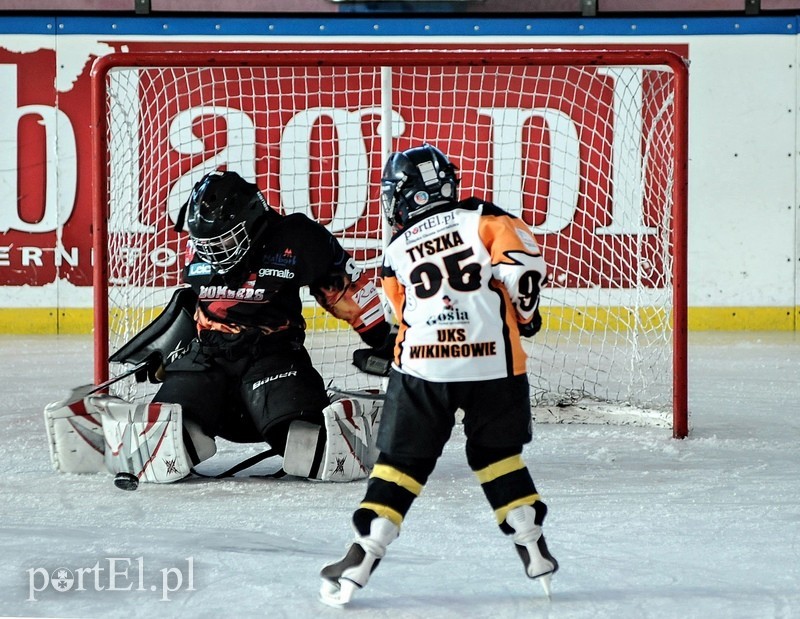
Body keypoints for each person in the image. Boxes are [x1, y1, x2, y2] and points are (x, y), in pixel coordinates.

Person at [319, 144, 558, 605]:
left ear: (400, 199)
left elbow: (403, 315)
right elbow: (523, 267)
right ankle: (533, 545)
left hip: (425, 368)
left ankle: (363, 556)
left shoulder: (394, 251)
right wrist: (526, 317)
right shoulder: (485, 218)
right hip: (497, 366)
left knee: (401, 464)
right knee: (498, 457)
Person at [146, 169, 394, 481]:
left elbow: (345, 290)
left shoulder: (298, 239)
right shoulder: (204, 244)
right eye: (205, 244)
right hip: (208, 362)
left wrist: (383, 339)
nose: (211, 252)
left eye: (222, 242)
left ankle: (353, 420)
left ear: (250, 222)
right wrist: (167, 348)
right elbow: (196, 303)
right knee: (161, 442)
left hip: (273, 360)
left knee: (309, 449)